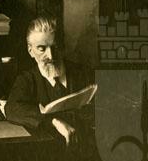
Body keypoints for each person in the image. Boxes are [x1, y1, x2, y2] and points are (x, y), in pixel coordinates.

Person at [6, 17, 92, 146]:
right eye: (42, 49)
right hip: (47, 150)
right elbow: (12, 109)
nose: (50, 56)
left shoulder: (81, 73)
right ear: (30, 51)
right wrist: (54, 121)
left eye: (54, 47)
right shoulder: (26, 79)